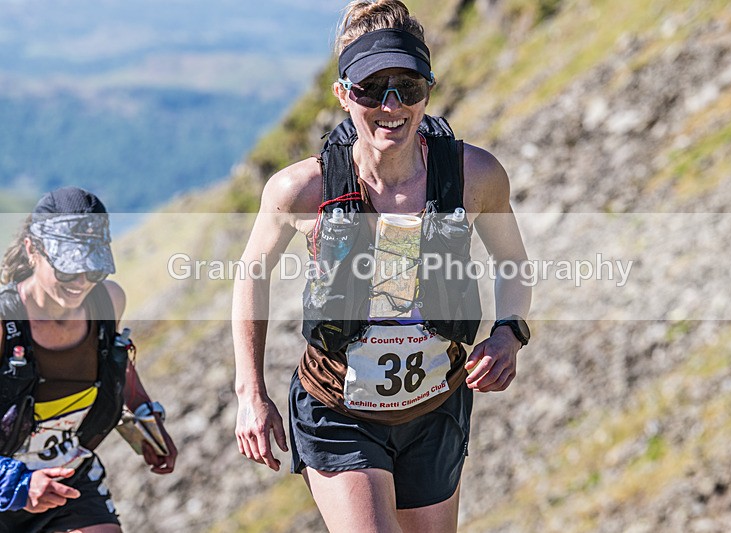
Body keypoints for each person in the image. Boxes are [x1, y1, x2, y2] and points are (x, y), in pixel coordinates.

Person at [232, 1, 531, 531]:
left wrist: (509, 332)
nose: (391, 105)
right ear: (343, 93)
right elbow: (251, 276)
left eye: (408, 88)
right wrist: (250, 393)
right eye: (372, 89)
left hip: (438, 408)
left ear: (428, 91)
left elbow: (511, 261)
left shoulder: (474, 175)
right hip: (337, 410)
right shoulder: (301, 190)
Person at [0, 187, 178, 533]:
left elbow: (117, 361)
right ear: (32, 250)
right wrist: (17, 484)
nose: (81, 282)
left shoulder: (107, 302)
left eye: (94, 268)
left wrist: (146, 418)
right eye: (67, 269)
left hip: (67, 474)